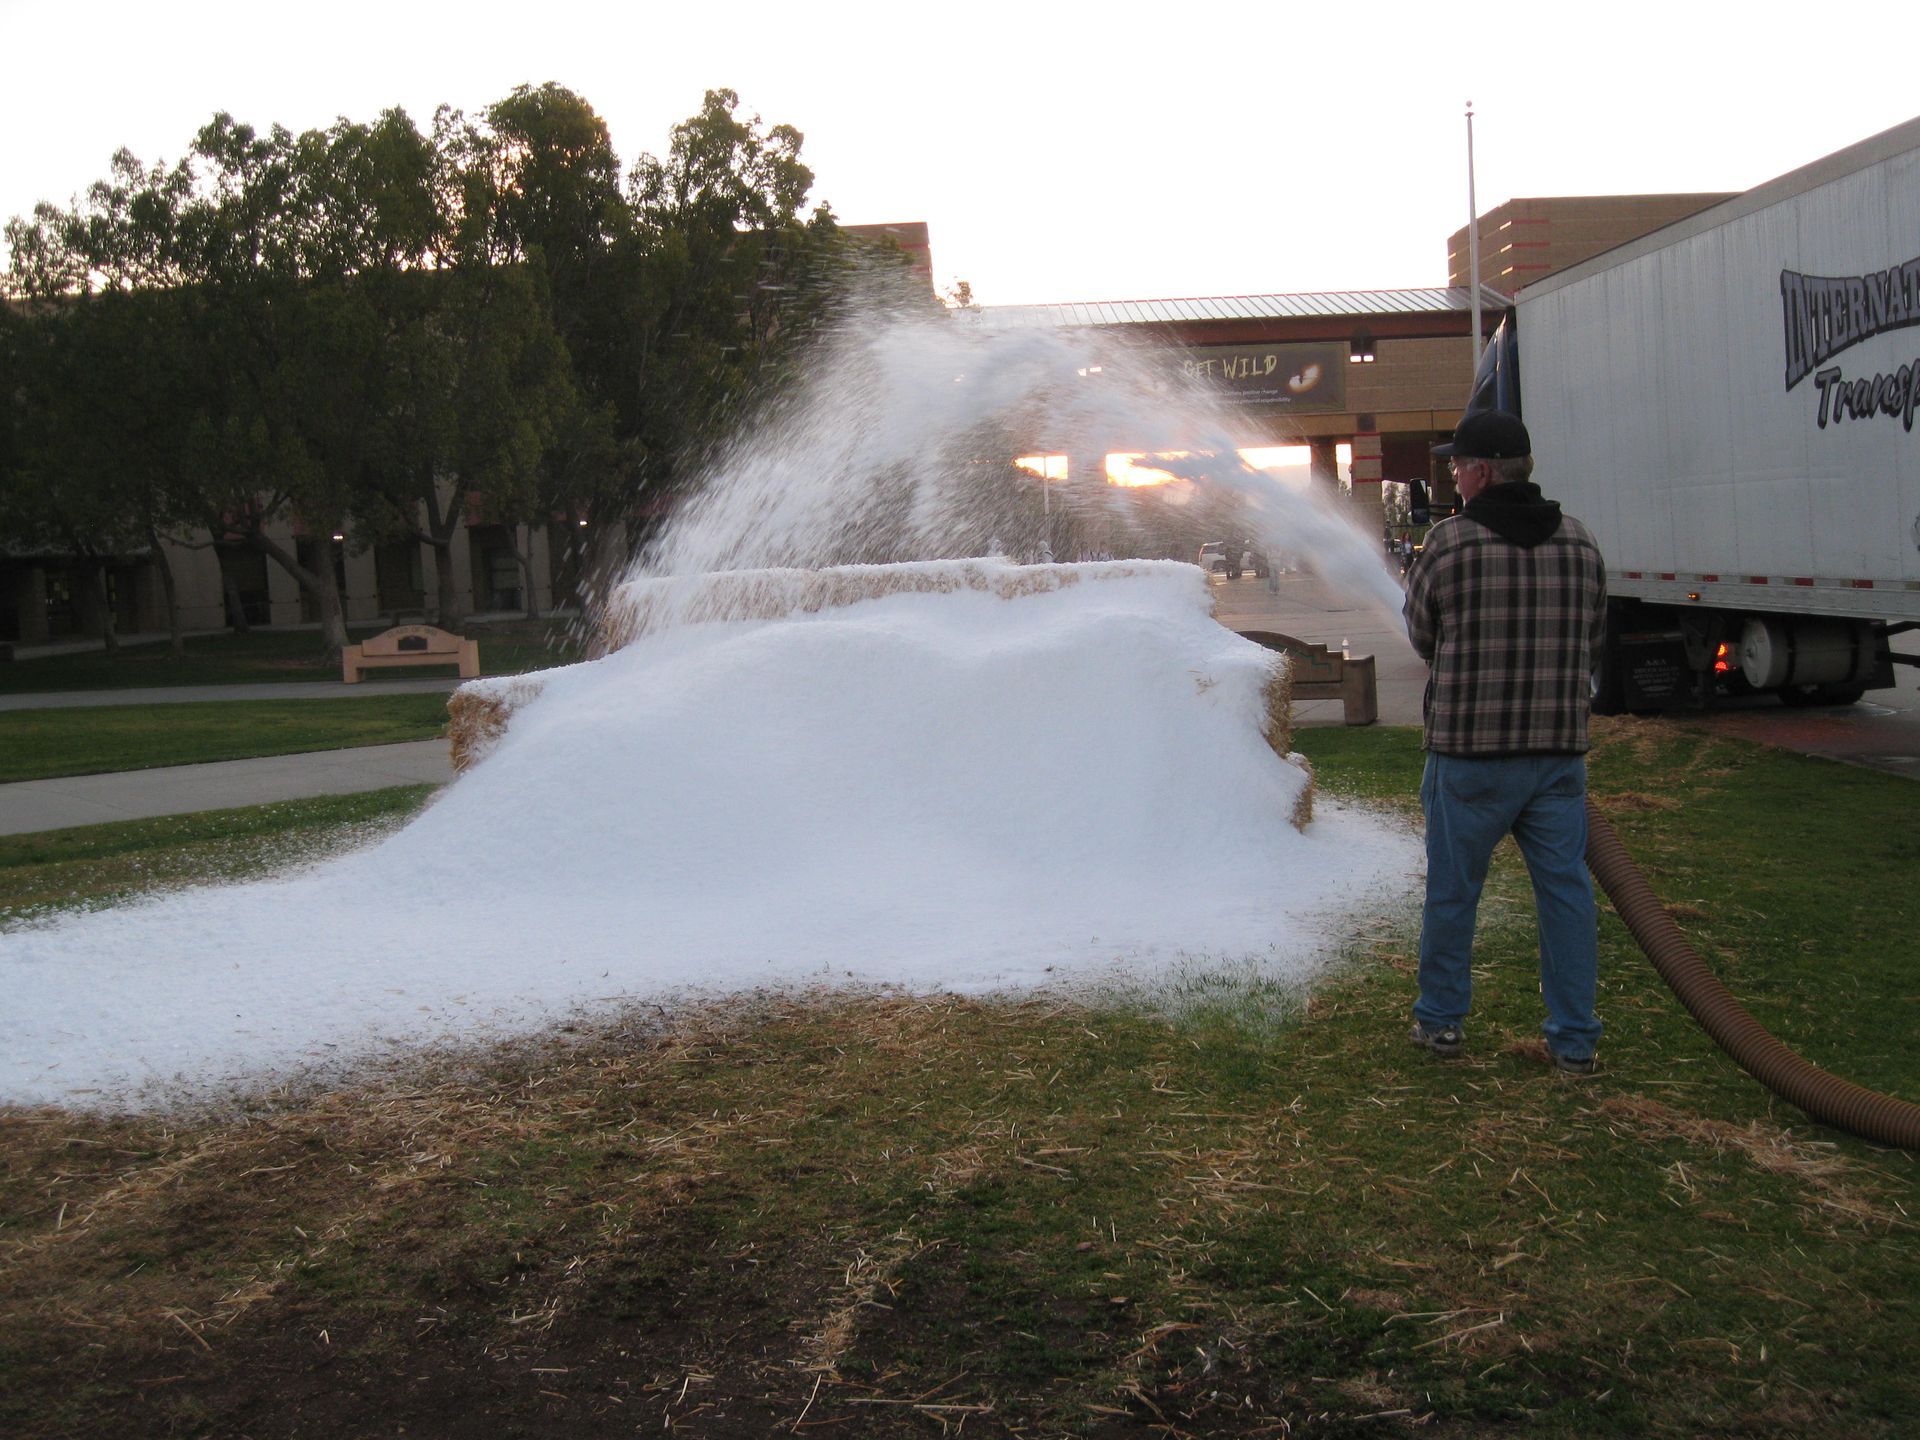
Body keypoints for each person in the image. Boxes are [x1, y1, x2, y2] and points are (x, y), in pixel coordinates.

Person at [1401, 409, 1609, 1076]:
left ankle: (1440, 1023)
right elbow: (1593, 637)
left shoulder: (1450, 543)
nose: (1453, 476)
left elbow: (1422, 637)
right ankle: (1574, 1040)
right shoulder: (1580, 543)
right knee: (1567, 895)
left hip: (1470, 758)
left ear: (1482, 472)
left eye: (1458, 465)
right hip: (1557, 758)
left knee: (1455, 893)